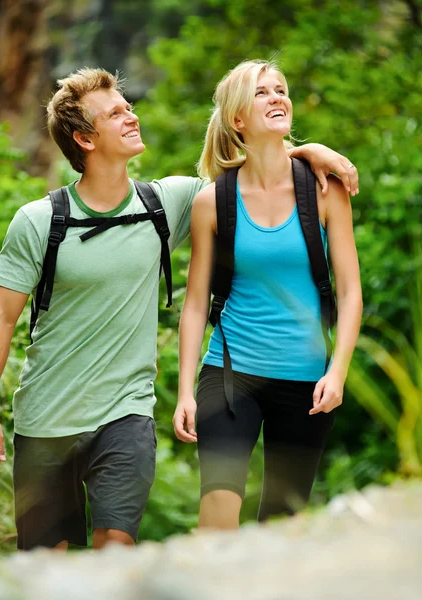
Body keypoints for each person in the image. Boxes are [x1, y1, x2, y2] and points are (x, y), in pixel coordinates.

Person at [0, 66, 359, 550]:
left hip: (127, 414)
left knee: (118, 551)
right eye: (116, 113)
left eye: (128, 107)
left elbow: (260, 165)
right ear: (84, 138)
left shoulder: (167, 202)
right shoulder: (41, 221)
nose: (131, 116)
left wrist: (311, 152)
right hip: (48, 419)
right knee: (47, 565)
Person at [173, 59, 363, 529]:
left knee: (284, 521)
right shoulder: (211, 201)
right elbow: (195, 302)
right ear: (238, 119)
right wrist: (184, 393)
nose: (277, 97)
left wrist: (337, 372)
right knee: (218, 507)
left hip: (307, 380)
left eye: (281, 89)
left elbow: (351, 290)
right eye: (262, 92)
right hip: (229, 373)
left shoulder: (324, 189)